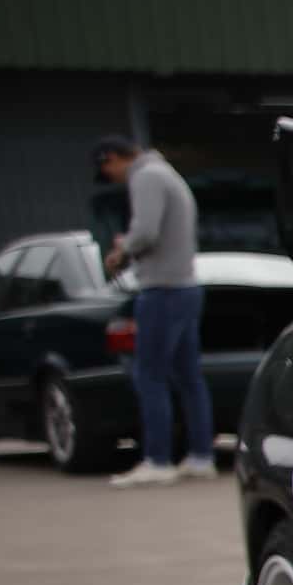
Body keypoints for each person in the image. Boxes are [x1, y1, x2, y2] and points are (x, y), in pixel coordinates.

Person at [93, 134, 213, 486]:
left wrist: (121, 251)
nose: (113, 178)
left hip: (162, 290)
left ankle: (157, 460)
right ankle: (201, 455)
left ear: (112, 158)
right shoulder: (168, 174)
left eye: (108, 170)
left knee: (150, 376)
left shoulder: (146, 176)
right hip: (186, 286)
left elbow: (145, 231)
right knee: (188, 377)